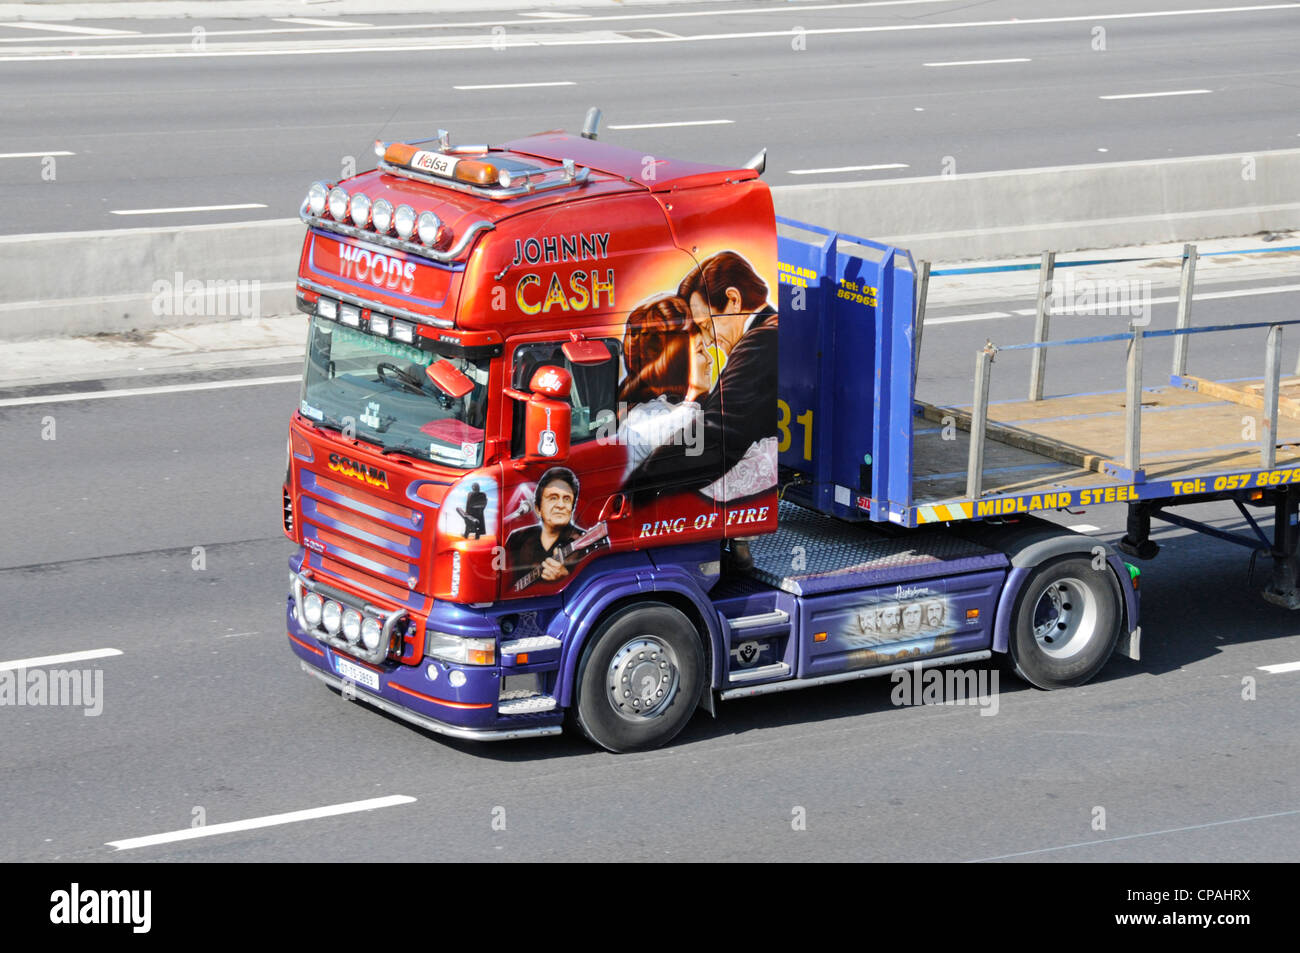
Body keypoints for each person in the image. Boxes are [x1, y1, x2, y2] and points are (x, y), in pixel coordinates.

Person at [626, 251, 778, 500]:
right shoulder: (765, 334)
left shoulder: (761, 341)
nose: (709, 342)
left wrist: (640, 488)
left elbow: (716, 434)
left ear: (733, 300)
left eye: (707, 326)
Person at [504, 467, 582, 589]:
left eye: (566, 499)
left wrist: (566, 578)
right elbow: (503, 584)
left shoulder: (585, 541)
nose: (561, 505)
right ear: (537, 509)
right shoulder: (517, 538)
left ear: (572, 508)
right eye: (553, 498)